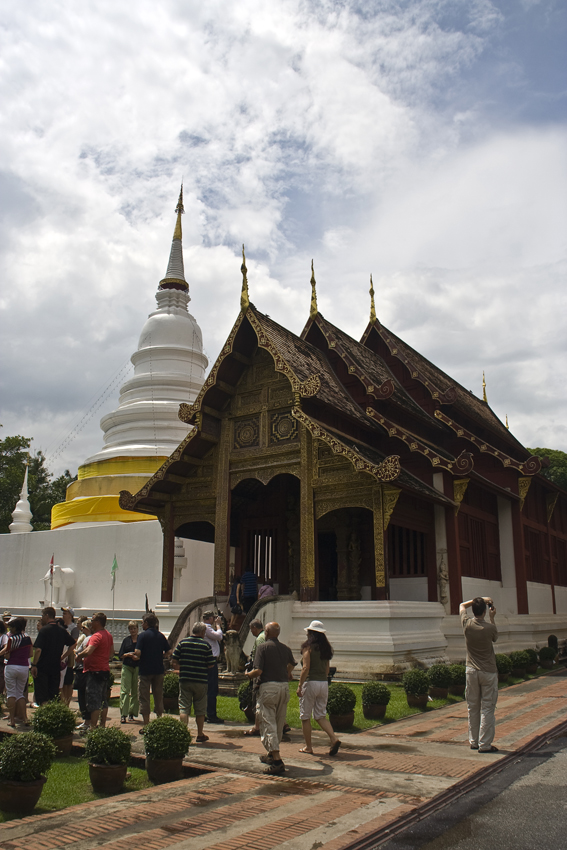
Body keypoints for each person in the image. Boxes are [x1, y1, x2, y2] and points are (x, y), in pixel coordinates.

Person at [245, 621, 296, 775]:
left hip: (268, 688)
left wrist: (248, 674)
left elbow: (258, 670)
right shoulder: (285, 648)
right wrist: (286, 673)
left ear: (266, 633)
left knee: (267, 722)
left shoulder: (263, 647)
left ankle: (277, 759)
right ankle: (271, 754)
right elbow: (292, 664)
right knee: (278, 722)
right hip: (283, 688)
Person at [459, 596, 499, 753]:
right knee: (487, 708)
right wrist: (492, 617)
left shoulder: (467, 624)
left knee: (472, 707)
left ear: (473, 611)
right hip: (488, 671)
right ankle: (485, 744)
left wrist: (480, 598)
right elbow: (495, 638)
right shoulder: (490, 628)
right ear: (484, 611)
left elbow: (462, 605)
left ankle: (474, 741)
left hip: (471, 670)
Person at [296, 620, 341, 756]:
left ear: (310, 633)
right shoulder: (325, 649)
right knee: (320, 715)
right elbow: (327, 670)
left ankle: (309, 747)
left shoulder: (308, 648)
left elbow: (305, 668)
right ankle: (333, 738)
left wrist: (299, 686)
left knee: (305, 716)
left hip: (310, 682)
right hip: (323, 683)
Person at [172, 622, 214, 743]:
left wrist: (183, 668)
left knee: (184, 707)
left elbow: (174, 660)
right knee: (200, 709)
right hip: (200, 680)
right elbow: (211, 664)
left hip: (185, 679)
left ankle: (183, 733)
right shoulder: (205, 645)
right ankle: (200, 733)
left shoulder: (182, 643)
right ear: (202, 632)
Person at [76, 611, 114, 730]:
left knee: (94, 701)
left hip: (94, 671)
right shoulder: (108, 634)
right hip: (104, 670)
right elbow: (111, 654)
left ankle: (93, 727)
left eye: (92, 620)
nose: (91, 623)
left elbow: (89, 651)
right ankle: (102, 725)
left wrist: (79, 656)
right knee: (103, 700)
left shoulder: (96, 636)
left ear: (97, 622)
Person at [31, 606, 76, 704]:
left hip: (43, 667)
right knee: (53, 694)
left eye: (42, 615)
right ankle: (52, 715)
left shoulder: (44, 630)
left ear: (47, 616)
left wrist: (34, 664)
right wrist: (63, 656)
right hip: (55, 666)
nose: (41, 618)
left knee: (42, 696)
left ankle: (44, 715)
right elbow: (73, 643)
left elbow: (38, 650)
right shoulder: (61, 630)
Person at [134, 612, 171, 731]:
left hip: (145, 670)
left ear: (146, 623)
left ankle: (146, 724)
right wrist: (162, 656)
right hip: (158, 669)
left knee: (144, 697)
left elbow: (138, 652)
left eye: (142, 622)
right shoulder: (160, 636)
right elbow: (169, 652)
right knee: (158, 696)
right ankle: (160, 721)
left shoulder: (142, 636)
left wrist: (135, 656)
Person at [2, 617, 32, 727]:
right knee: (20, 694)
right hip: (24, 667)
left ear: (15, 628)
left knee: (11, 693)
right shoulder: (27, 638)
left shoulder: (11, 639)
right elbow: (30, 654)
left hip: (11, 666)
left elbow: (7, 654)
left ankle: (12, 720)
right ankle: (24, 718)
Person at [244, 618, 265, 737]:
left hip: (259, 672)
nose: (251, 632)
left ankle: (257, 727)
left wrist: (253, 672)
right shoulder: (262, 637)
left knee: (258, 699)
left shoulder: (260, 639)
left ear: (254, 628)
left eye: (251, 629)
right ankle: (283, 724)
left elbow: (261, 657)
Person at [202, 610, 224, 724]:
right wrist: (218, 625)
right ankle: (211, 714)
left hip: (206, 661)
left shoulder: (204, 628)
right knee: (211, 688)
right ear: (210, 619)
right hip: (210, 661)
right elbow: (219, 636)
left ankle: (205, 713)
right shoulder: (207, 628)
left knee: (207, 688)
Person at [118, 620, 140, 723]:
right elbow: (120, 655)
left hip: (137, 667)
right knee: (125, 690)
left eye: (134, 628)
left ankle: (132, 712)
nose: (133, 630)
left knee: (135, 691)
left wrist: (138, 657)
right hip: (127, 666)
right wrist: (128, 655)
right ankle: (123, 713)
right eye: (131, 629)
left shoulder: (141, 640)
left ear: (137, 629)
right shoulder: (126, 640)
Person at [74, 619, 92, 730]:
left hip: (83, 669)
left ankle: (87, 720)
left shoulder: (88, 639)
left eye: (84, 628)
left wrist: (78, 655)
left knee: (83, 696)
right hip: (85, 669)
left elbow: (79, 652)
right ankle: (87, 720)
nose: (82, 629)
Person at [60, 606, 80, 706]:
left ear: (71, 615)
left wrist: (64, 656)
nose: (63, 615)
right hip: (60, 656)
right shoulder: (61, 626)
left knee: (67, 683)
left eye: (65, 613)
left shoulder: (74, 628)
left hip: (68, 658)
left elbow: (73, 644)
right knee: (60, 683)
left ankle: (66, 703)